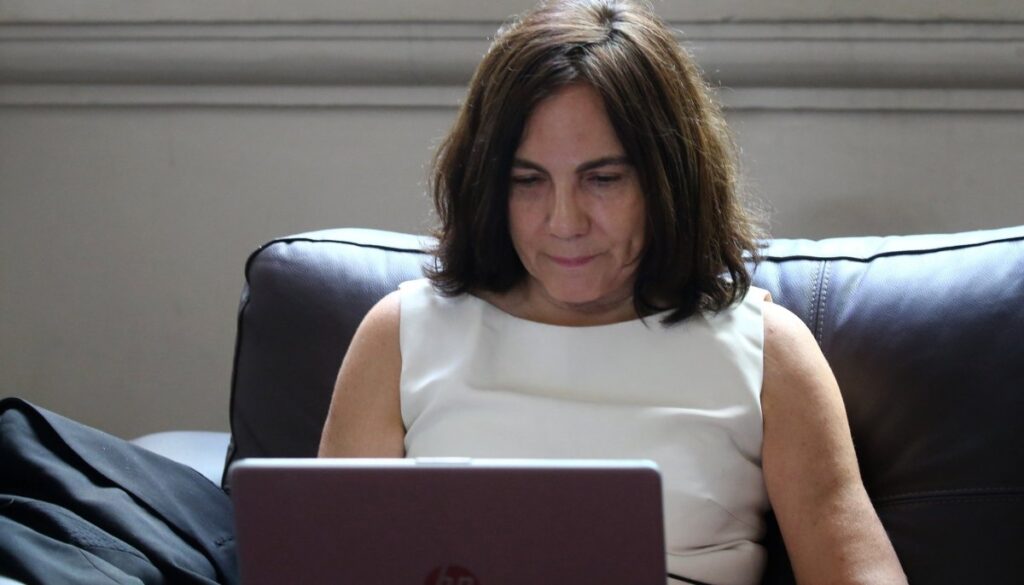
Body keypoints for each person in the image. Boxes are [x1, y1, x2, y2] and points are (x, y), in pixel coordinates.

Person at [318, 1, 908, 584]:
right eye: (528, 181)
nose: (565, 222)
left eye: (602, 179)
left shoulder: (767, 351)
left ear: (669, 179)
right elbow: (324, 566)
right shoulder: (401, 336)